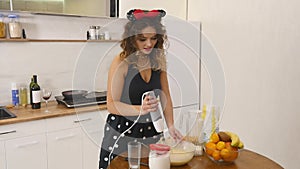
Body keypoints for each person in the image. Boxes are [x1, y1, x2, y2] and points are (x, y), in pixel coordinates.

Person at [99, 9, 182, 169]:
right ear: (132, 39)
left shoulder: (158, 59)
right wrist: (140, 109)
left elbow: (166, 97)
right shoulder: (122, 62)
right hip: (122, 133)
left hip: (151, 132)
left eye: (153, 38)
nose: (149, 44)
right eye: (142, 39)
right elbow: (112, 104)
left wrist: (170, 125)